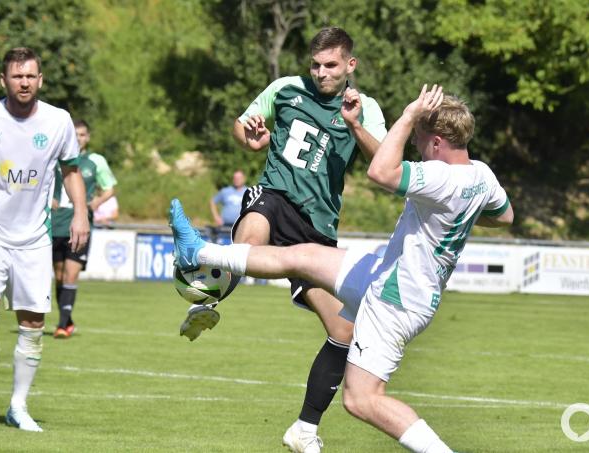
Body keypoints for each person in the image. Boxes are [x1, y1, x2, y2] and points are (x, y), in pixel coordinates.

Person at [170, 85, 513, 452]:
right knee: (300, 256)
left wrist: (408, 115)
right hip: (389, 276)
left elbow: (381, 172)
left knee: (362, 400)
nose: (415, 143)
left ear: (438, 142)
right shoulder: (481, 175)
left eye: (419, 138)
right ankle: (200, 252)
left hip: (395, 299)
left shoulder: (440, 178)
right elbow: (504, 217)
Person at [177, 27, 387, 452]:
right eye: (315, 64)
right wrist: (250, 137)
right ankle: (207, 300)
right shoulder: (285, 89)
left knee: (344, 332)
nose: (321, 73)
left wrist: (354, 123)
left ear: (350, 65)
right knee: (253, 232)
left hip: (319, 229)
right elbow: (243, 127)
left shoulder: (365, 108)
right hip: (275, 196)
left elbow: (382, 163)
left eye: (331, 65)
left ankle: (304, 430)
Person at [0, 47, 89, 432]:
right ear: (3, 80)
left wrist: (81, 212)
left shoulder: (58, 121)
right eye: (17, 76)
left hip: (35, 236)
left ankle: (18, 406)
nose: (24, 82)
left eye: (31, 76)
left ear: (40, 80)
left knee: (33, 323)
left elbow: (71, 170)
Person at [51, 119, 117, 338]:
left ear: (87, 137)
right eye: (74, 134)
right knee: (59, 276)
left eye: (82, 135)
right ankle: (67, 320)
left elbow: (109, 188)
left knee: (71, 274)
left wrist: (94, 203)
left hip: (79, 224)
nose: (78, 138)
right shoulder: (54, 157)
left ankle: (62, 325)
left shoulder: (95, 161)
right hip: (56, 223)